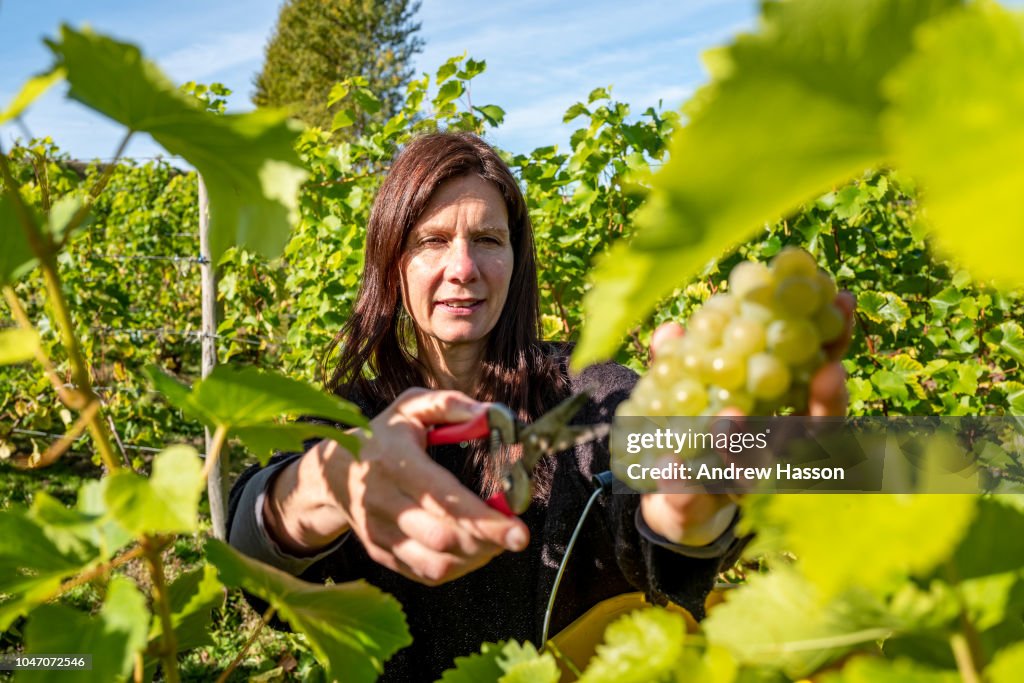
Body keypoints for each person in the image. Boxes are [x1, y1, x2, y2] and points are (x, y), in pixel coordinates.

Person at [227, 131, 853, 681]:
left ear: (516, 258)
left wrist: (694, 517)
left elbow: (663, 507)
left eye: (488, 240)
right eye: (432, 241)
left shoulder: (591, 393)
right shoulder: (351, 418)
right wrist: (325, 486)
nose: (463, 267)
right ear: (392, 264)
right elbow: (255, 566)